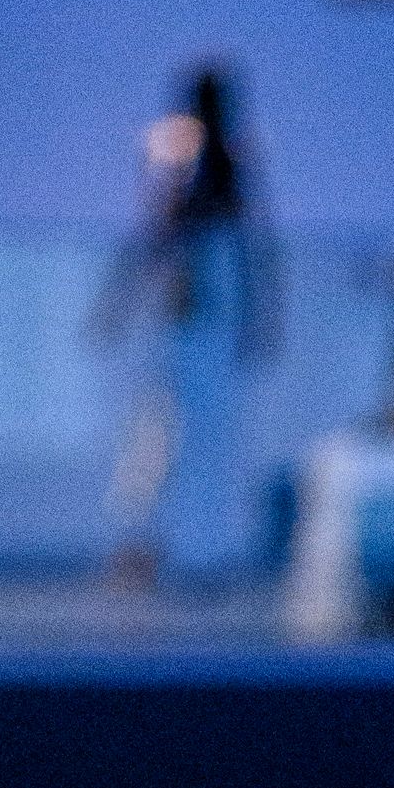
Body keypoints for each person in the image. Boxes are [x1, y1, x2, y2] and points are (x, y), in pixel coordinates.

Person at [97, 67, 275, 594]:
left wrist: (256, 319)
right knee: (174, 440)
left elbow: (233, 247)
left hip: (207, 322)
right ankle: (181, 549)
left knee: (196, 441)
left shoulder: (221, 169)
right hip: (192, 325)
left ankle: (199, 549)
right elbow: (162, 237)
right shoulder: (191, 164)